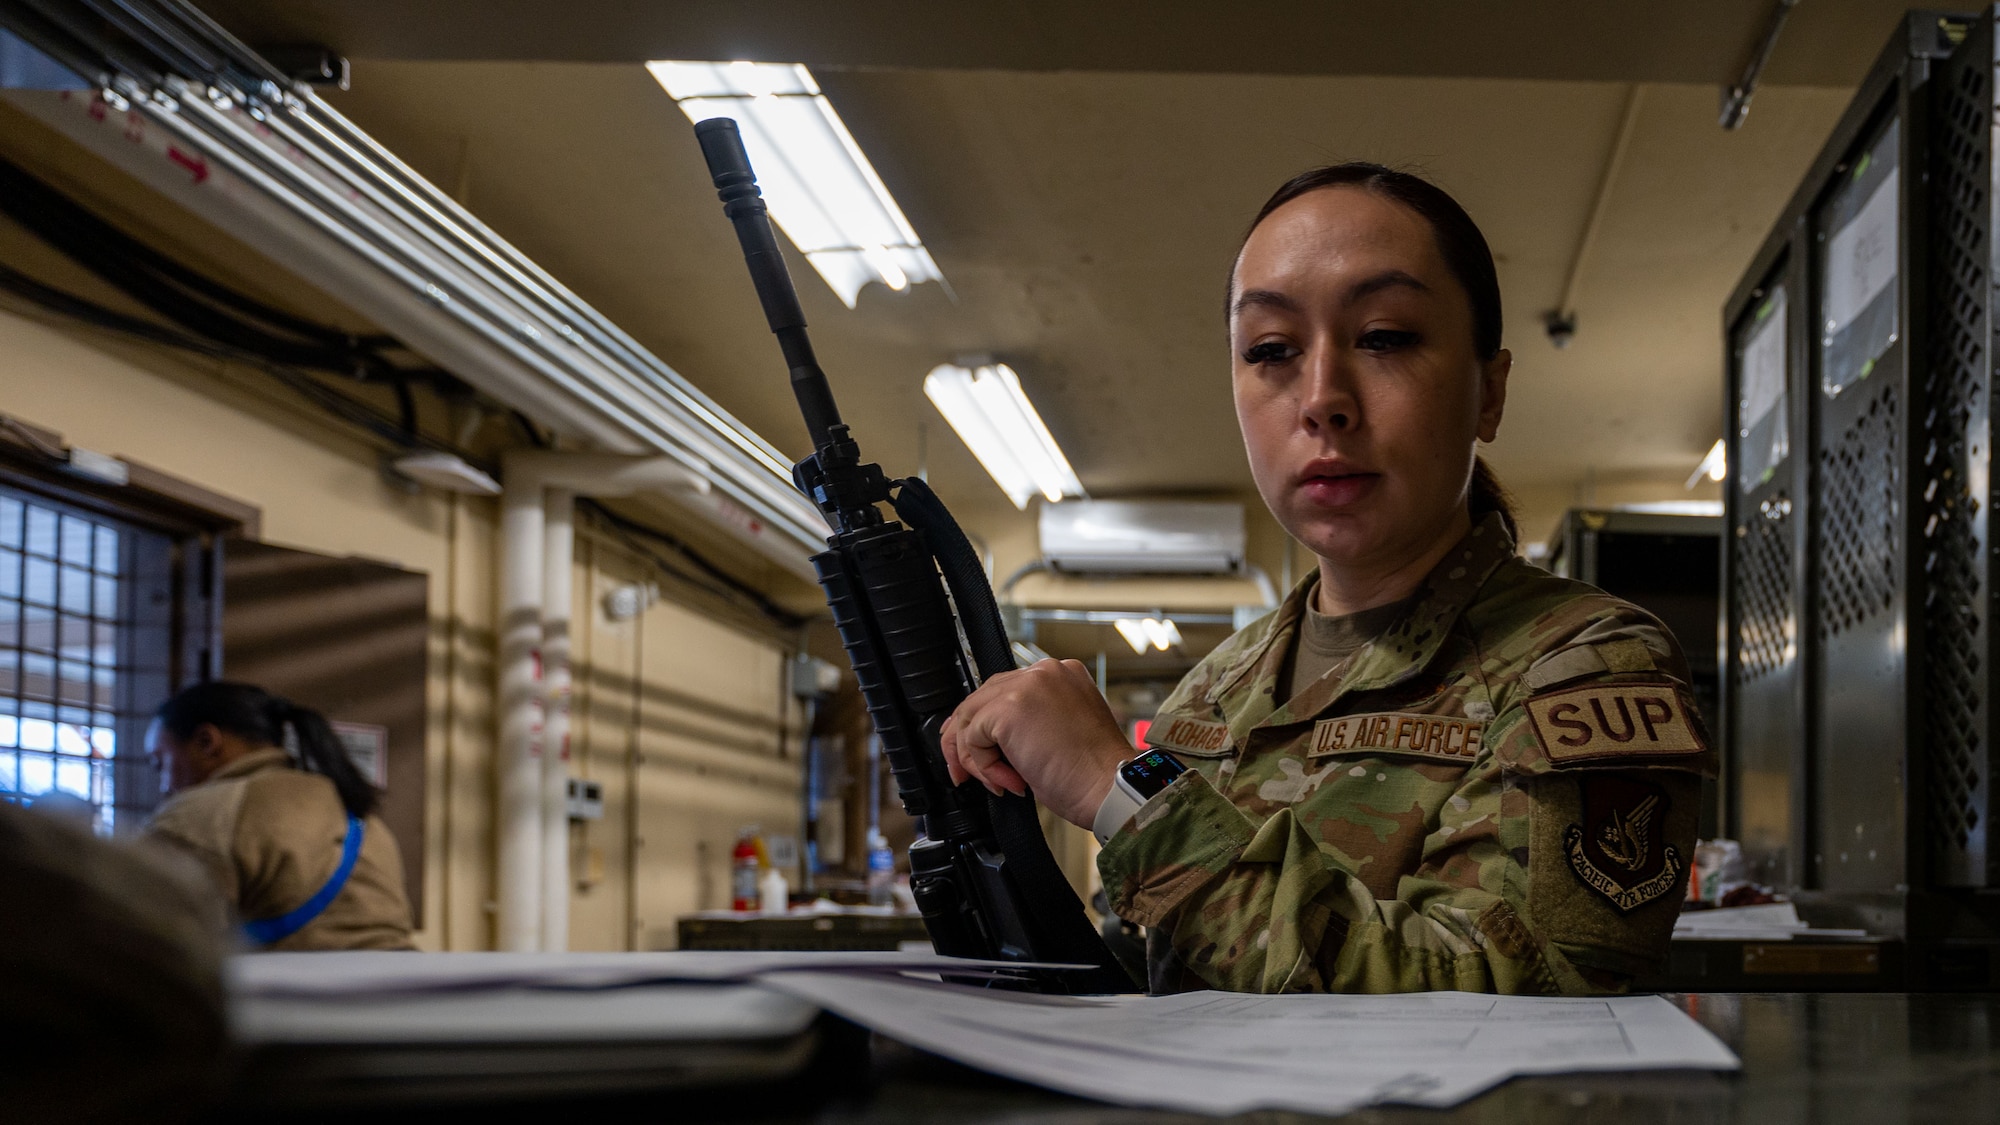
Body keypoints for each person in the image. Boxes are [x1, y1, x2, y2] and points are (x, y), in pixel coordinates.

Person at [941, 163, 1713, 995]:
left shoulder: (1586, 664)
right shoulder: (1211, 694)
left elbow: (1534, 992)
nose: (1322, 400)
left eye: (1385, 336)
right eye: (1271, 350)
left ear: (1489, 393)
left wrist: (1117, 790)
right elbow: (1168, 973)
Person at [143, 681, 415, 951]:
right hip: (408, 984)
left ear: (206, 742)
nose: (165, 786)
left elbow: (157, 942)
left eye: (161, 762)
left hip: (293, 990)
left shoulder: (201, 814)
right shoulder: (357, 809)